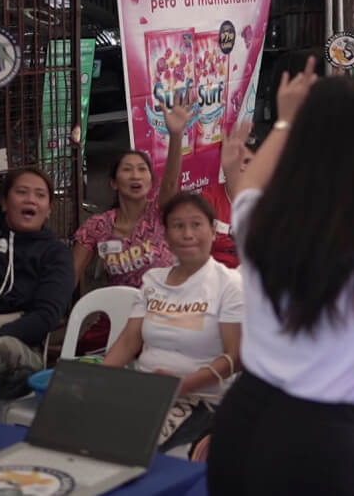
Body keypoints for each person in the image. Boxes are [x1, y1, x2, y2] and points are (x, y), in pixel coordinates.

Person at [207, 67, 354, 496]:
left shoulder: (263, 216)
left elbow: (248, 184)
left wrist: (285, 119)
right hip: (329, 437)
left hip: (246, 420)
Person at [0, 83, 74, 414]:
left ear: (49, 208)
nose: (30, 199)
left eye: (39, 195)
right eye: (22, 192)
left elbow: (46, 316)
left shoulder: (56, 254)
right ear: (6, 202)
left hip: (17, 354)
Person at [103, 193, 244, 451]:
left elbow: (236, 357)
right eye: (178, 226)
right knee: (86, 426)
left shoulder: (229, 284)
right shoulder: (153, 281)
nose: (188, 234)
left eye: (196, 224)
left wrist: (181, 385)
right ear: (166, 237)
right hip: (146, 392)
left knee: (128, 444)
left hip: (199, 400)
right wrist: (96, 380)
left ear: (213, 231)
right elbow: (128, 341)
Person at [73, 101, 189, 351]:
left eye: (142, 170)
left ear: (150, 180)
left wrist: (176, 135)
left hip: (165, 316)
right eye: (127, 170)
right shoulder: (97, 226)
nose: (136, 175)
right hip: (118, 318)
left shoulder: (160, 214)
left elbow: (170, 184)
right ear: (114, 183)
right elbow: (71, 275)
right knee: (79, 357)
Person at [200, 138, 258, 269]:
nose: (242, 166)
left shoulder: (266, 201)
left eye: (248, 161)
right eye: (237, 160)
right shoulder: (206, 199)